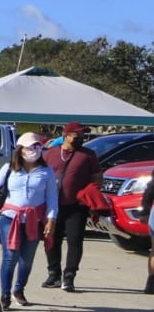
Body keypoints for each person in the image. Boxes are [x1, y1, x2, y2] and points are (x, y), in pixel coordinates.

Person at [0, 131, 58, 309]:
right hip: (10, 218)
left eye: (38, 146)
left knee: (27, 259)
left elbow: (52, 198)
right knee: (10, 257)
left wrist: (51, 220)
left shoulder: (47, 171)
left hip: (34, 220)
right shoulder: (9, 168)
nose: (35, 150)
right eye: (31, 147)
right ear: (21, 149)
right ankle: (5, 293)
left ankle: (19, 289)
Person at [41, 122, 101, 293]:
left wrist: (88, 195)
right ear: (66, 135)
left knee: (75, 241)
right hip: (52, 206)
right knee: (51, 239)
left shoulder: (88, 155)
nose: (80, 139)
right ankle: (53, 274)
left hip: (76, 207)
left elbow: (97, 179)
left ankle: (69, 276)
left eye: (82, 136)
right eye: (77, 136)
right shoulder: (50, 154)